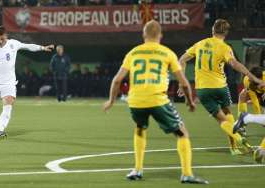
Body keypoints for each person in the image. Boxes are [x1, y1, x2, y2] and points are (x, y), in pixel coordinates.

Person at [103, 20, 208, 184]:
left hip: (136, 102)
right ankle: (187, 174)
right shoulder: (167, 53)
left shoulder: (133, 53)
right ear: (160, 35)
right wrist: (190, 101)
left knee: (139, 128)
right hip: (158, 100)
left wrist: (111, 101)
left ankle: (137, 170)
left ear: (143, 35)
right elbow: (184, 83)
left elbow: (117, 81)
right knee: (182, 133)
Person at [178, 19, 264, 155]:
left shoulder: (200, 44)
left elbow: (181, 60)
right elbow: (234, 64)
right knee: (228, 113)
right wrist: (252, 77)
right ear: (226, 33)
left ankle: (239, 141)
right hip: (220, 87)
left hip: (202, 89)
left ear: (213, 30)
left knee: (221, 120)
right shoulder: (224, 47)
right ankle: (233, 147)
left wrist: (181, 83)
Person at [0, 26, 54, 138]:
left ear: (6, 36)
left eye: (2, 39)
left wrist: (42, 48)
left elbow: (28, 46)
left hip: (8, 83)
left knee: (8, 103)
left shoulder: (13, 44)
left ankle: (0, 131)